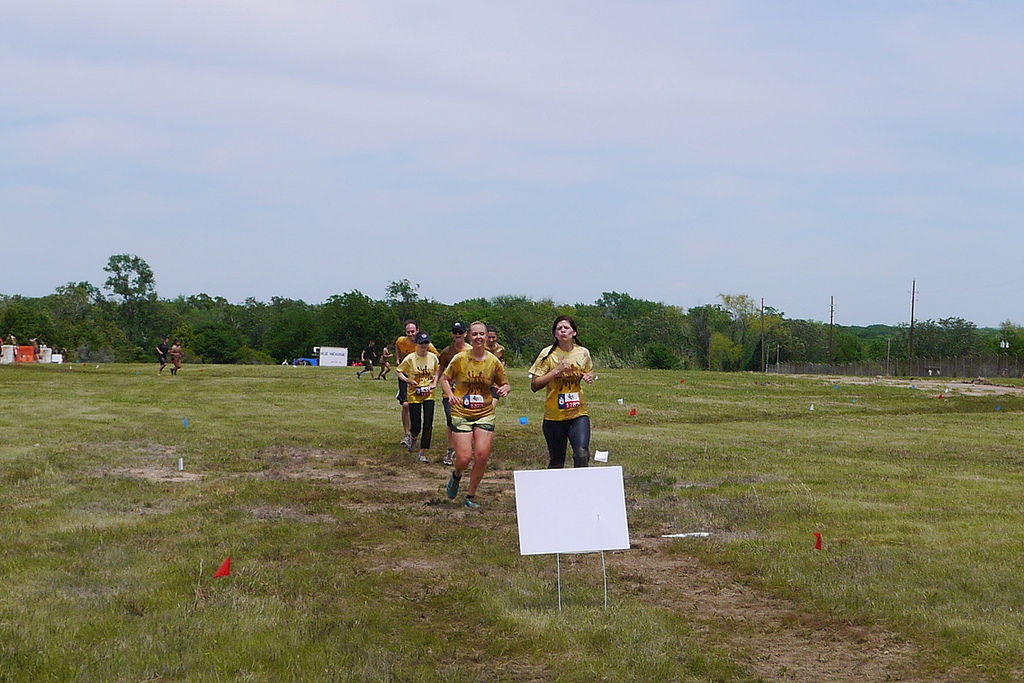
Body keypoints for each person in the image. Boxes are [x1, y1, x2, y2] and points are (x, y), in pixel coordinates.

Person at [441, 321, 511, 508]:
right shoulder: (460, 359)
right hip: (462, 412)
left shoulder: (493, 362)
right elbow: (445, 379)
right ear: (470, 337)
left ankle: (471, 496)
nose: (479, 337)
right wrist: (450, 395)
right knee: (464, 458)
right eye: (475, 334)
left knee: (481, 455)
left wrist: (505, 389)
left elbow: (505, 383)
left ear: (487, 336)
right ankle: (456, 475)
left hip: (485, 412)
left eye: (482, 334)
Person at [529, 315, 594, 469]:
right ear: (555, 334)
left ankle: (579, 488)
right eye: (559, 328)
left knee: (582, 454)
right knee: (557, 462)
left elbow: (588, 369)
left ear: (574, 333)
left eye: (566, 327)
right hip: (554, 416)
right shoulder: (547, 354)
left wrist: (589, 375)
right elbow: (535, 385)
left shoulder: (583, 353)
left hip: (578, 413)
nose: (563, 330)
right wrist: (556, 371)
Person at [394, 320, 439, 448]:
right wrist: (398, 357)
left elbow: (437, 360)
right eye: (408, 332)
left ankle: (417, 439)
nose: (410, 334)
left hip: (423, 379)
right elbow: (397, 345)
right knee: (406, 404)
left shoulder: (427, 345)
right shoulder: (401, 340)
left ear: (417, 331)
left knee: (426, 418)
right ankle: (408, 434)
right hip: (408, 375)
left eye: (412, 331)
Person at [436, 322, 470, 465]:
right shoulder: (447, 351)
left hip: (467, 392)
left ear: (465, 334)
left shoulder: (471, 350)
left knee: (465, 421)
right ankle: (451, 450)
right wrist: (434, 382)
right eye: (455, 332)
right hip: (449, 392)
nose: (457, 335)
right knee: (451, 421)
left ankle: (463, 450)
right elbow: (441, 368)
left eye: (460, 332)